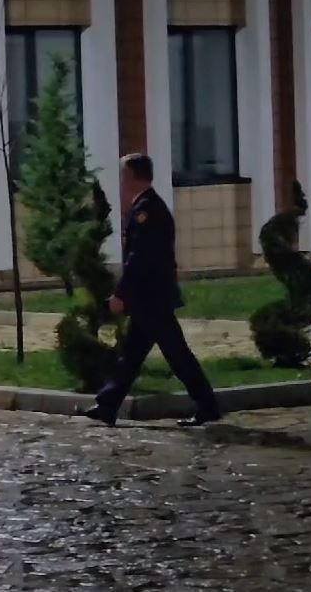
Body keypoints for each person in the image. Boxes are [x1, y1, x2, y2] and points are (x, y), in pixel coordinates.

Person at [79, 153, 222, 428]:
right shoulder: (146, 207)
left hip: (152, 298)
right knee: (132, 354)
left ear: (131, 177)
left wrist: (120, 294)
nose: (120, 182)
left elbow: (139, 259)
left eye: (123, 176)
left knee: (176, 355)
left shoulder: (147, 211)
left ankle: (207, 405)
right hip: (149, 298)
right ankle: (108, 405)